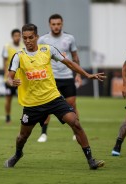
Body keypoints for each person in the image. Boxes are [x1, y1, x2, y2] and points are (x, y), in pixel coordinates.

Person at [4, 23, 105, 170]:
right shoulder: (19, 56)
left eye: (30, 37)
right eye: (25, 38)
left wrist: (87, 74)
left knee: (75, 123)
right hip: (32, 104)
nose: (27, 41)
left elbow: (69, 63)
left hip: (53, 98)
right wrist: (11, 81)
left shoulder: (47, 50)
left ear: (37, 37)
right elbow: (9, 76)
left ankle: (91, 160)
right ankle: (18, 154)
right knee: (22, 137)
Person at [37, 14, 82, 142]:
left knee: (72, 105)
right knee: (46, 106)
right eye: (53, 24)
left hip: (67, 77)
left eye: (58, 24)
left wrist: (78, 74)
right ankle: (43, 133)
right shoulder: (43, 40)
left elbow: (75, 57)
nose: (56, 26)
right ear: (49, 25)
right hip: (50, 79)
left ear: (62, 24)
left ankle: (76, 131)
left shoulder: (69, 38)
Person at [2, 29, 24, 123]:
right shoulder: (7, 47)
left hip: (21, 78)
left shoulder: (24, 47)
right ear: (12, 37)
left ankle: (26, 117)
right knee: (8, 99)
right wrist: (6, 75)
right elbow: (5, 62)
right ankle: (7, 117)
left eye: (19, 35)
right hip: (10, 78)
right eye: (15, 35)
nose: (17, 37)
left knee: (25, 99)